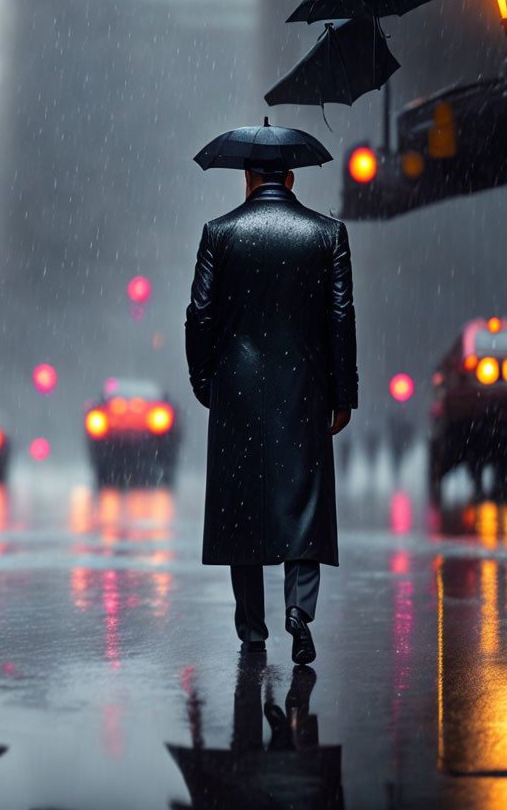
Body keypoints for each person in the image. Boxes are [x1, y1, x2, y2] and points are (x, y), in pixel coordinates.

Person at [185, 166, 357, 664]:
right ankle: (300, 610)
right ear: (291, 177)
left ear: (247, 176)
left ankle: (252, 628)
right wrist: (343, 392)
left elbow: (200, 313)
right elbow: (341, 317)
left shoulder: (218, 233)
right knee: (303, 498)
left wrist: (204, 379)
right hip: (304, 386)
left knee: (244, 505)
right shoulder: (328, 235)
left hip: (236, 386)